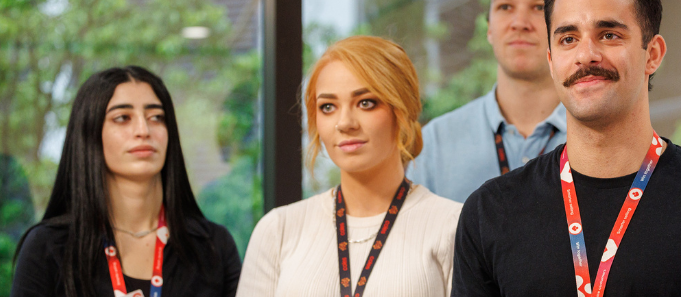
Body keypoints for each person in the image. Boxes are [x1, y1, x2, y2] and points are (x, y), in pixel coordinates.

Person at [452, 0, 681, 296]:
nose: (586, 54)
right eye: (569, 39)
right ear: (552, 63)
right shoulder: (489, 213)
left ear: (652, 54)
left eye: (609, 35)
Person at [236, 36, 462, 296]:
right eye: (328, 106)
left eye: (366, 102)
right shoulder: (278, 229)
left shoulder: (452, 226)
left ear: (402, 111)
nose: (344, 123)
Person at [12, 66, 241, 297]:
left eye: (156, 118)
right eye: (122, 118)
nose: (143, 130)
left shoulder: (213, 246)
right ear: (90, 133)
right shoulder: (47, 247)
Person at [408, 0, 567, 203]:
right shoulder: (435, 144)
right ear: (489, 27)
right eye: (505, 7)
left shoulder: (600, 137)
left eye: (539, 6)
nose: (519, 22)